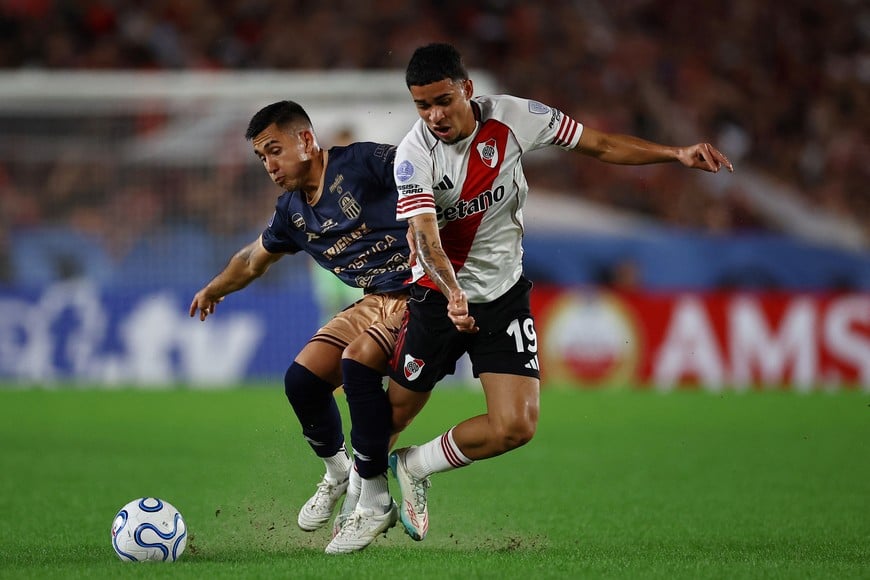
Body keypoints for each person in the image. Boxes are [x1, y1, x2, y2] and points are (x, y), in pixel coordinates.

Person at [384, 42, 734, 542]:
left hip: (502, 294)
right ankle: (361, 497)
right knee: (394, 410)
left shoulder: (516, 118)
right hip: (439, 296)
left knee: (516, 425)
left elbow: (601, 146)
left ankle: (415, 467)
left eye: (443, 100)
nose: (434, 114)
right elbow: (425, 239)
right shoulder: (413, 155)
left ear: (467, 88)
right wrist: (453, 293)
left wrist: (674, 154)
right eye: (422, 105)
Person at [189, 100, 411, 554]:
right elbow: (253, 259)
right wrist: (215, 289)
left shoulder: (363, 162)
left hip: (417, 292)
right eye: (261, 157)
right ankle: (337, 474)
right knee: (302, 380)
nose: (269, 165)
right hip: (374, 301)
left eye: (274, 150)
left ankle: (374, 500)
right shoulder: (291, 211)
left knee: (356, 370)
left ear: (306, 140)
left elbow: (428, 171)